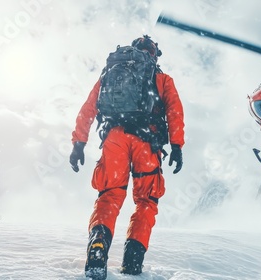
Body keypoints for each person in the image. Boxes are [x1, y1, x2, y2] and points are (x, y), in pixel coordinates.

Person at [69, 35, 184, 279]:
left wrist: (78, 143)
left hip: (114, 139)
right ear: (153, 54)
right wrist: (176, 146)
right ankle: (132, 261)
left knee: (109, 196)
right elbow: (174, 111)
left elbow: (88, 108)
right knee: (146, 201)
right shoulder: (162, 78)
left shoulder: (110, 74)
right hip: (146, 141)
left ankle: (98, 242)